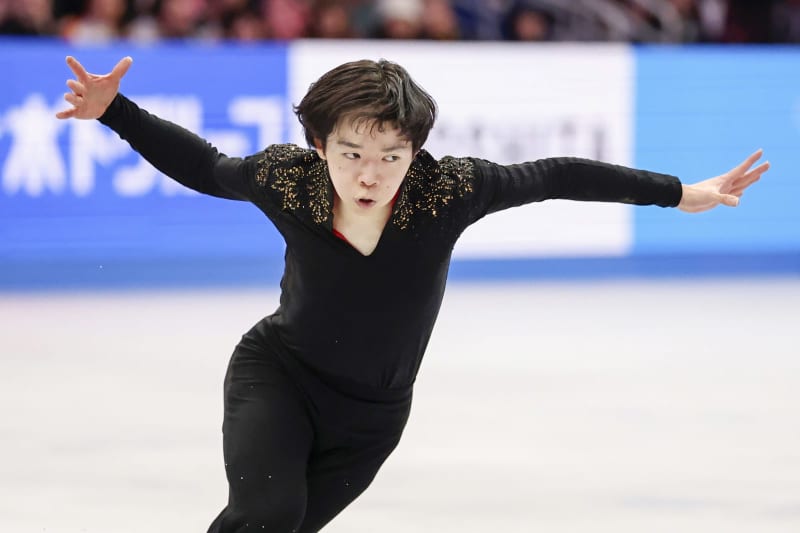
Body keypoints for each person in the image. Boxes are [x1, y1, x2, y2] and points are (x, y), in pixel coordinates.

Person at [56, 55, 768, 532]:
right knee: (267, 513)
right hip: (279, 375)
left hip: (372, 418)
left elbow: (556, 174)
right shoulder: (288, 180)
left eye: (391, 156)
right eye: (351, 154)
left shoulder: (448, 190)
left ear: (415, 152)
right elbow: (206, 166)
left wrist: (679, 193)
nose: (370, 174)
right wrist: (116, 112)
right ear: (319, 145)